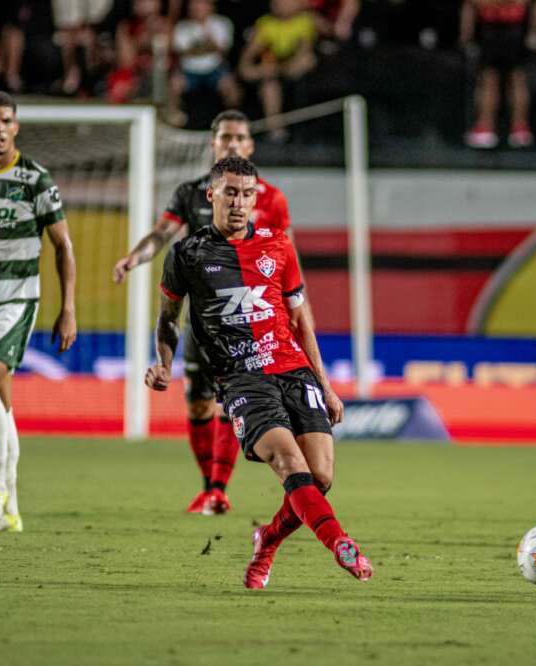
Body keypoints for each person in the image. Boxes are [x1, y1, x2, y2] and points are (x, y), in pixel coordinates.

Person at [147, 156, 373, 588]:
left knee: (320, 477)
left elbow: (300, 318)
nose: (239, 202)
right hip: (241, 379)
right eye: (230, 192)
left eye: (247, 194)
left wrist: (326, 385)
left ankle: (267, 540)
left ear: (257, 198)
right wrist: (163, 362)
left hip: (293, 370)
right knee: (289, 463)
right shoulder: (187, 254)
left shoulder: (278, 245)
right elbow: (168, 319)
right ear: (211, 194)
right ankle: (341, 543)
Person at [112, 110, 291, 516]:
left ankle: (217, 487)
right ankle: (210, 486)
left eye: (239, 137)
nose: (231, 143)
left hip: (252, 323)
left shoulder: (271, 198)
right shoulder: (192, 193)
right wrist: (134, 258)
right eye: (225, 137)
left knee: (232, 402)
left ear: (250, 145)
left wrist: (293, 313)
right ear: (212, 144)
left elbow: (286, 257)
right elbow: (161, 234)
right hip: (203, 320)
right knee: (197, 403)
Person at [0, 90, 78, 532]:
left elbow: (62, 245)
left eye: (5, 121)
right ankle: (11, 508)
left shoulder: (35, 179)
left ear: (16, 127)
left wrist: (68, 308)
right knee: (0, 404)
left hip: (16, 300)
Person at [238, 0, 319, 142]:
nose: (281, 5)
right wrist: (254, 67)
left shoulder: (305, 21)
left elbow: (304, 51)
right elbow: (248, 58)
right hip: (274, 71)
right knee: (268, 85)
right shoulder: (266, 23)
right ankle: (275, 130)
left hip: (297, 69)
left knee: (306, 60)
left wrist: (281, 67)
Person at [461, 0, 535, 149]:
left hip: (503, 27)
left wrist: (466, 35)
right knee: (501, 80)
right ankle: (492, 127)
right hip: (501, 29)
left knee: (507, 80)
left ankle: (515, 127)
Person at [168, 0, 240, 126]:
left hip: (215, 69)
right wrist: (204, 47)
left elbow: (223, 50)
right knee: (174, 85)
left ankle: (233, 121)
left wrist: (206, 32)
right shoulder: (182, 26)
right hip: (189, 70)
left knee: (231, 87)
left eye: (202, 3)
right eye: (194, 4)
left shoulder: (222, 23)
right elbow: (182, 53)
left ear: (211, 6)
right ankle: (174, 120)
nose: (198, 7)